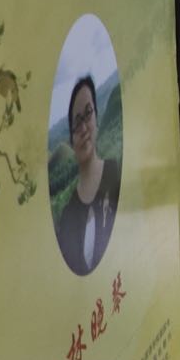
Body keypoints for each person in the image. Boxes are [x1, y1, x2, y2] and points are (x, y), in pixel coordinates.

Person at [56, 75, 120, 275]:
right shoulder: (68, 217)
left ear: (96, 119)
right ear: (71, 141)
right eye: (76, 123)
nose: (83, 128)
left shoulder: (116, 174)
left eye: (88, 113)